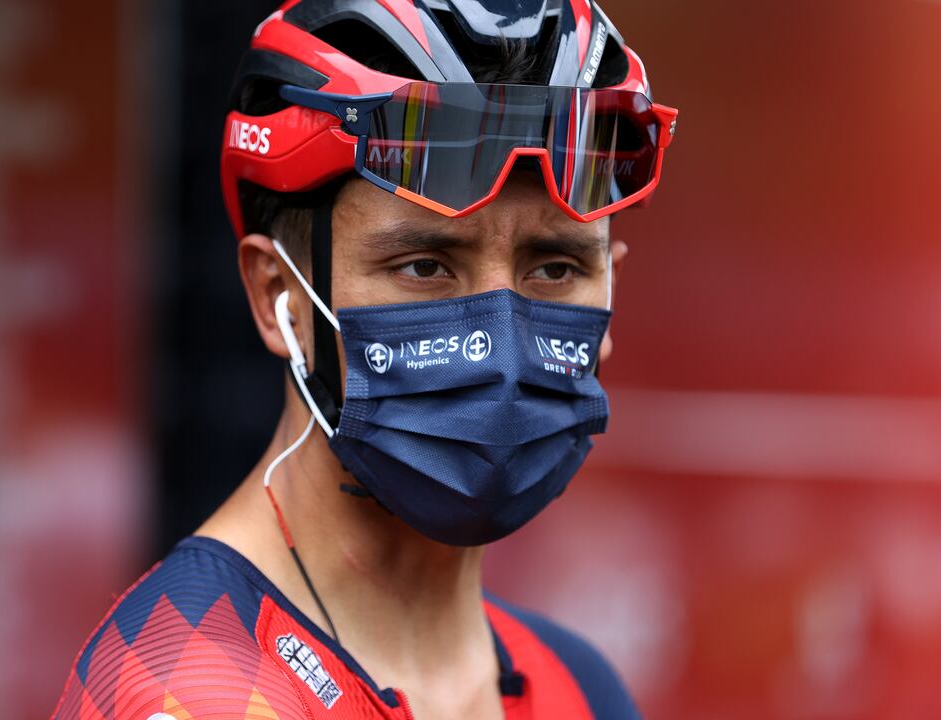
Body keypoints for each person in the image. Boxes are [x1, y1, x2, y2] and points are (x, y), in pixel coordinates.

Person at [52, 0, 678, 717]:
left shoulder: (579, 687)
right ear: (276, 295)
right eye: (423, 265)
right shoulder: (194, 693)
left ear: (611, 291)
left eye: (556, 266)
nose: (498, 342)